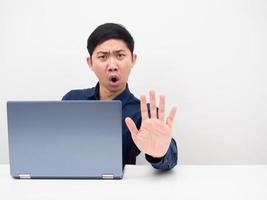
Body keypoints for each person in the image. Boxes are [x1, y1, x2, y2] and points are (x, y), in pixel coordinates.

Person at [62, 23, 178, 170]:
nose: (112, 65)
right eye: (103, 56)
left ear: (133, 59)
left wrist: (160, 154)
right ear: (90, 62)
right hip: (70, 186)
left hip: (121, 190)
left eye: (120, 55)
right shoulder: (72, 100)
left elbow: (170, 159)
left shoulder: (145, 113)